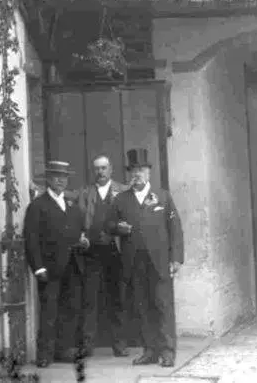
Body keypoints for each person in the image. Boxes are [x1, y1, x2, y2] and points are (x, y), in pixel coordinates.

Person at [108, 148, 184, 369]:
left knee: (162, 306)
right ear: (129, 173)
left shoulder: (163, 196)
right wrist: (118, 228)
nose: (137, 174)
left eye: (141, 169)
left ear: (149, 172)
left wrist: (176, 258)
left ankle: (168, 352)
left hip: (159, 263)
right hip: (134, 263)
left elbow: (175, 229)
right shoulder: (121, 200)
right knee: (142, 308)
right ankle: (150, 350)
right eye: (133, 170)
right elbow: (108, 224)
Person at [23, 160, 89, 367]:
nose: (60, 180)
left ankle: (63, 349)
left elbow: (76, 234)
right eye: (56, 176)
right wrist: (38, 267)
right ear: (48, 179)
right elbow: (31, 239)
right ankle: (45, 354)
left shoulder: (72, 206)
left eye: (64, 177)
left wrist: (82, 241)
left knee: (70, 309)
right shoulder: (37, 206)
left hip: (72, 266)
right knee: (49, 310)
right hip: (50, 269)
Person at [77, 154, 129, 357]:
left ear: (111, 169)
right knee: (90, 300)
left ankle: (120, 345)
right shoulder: (86, 193)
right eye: (97, 168)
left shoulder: (123, 191)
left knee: (117, 299)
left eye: (104, 168)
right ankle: (87, 345)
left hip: (115, 252)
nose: (100, 172)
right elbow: (75, 211)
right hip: (92, 252)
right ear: (94, 171)